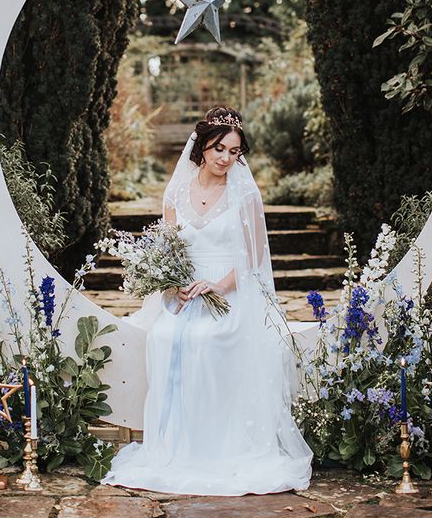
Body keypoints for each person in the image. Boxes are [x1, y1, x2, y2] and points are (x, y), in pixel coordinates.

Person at [102, 105, 313, 496]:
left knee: (207, 340)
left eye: (234, 152)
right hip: (184, 294)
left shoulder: (244, 194)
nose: (225, 159)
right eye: (219, 149)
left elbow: (252, 260)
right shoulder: (177, 192)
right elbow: (165, 251)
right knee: (163, 338)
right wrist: (172, 286)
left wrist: (217, 286)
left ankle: (216, 447)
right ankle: (175, 446)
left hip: (229, 294)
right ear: (202, 146)